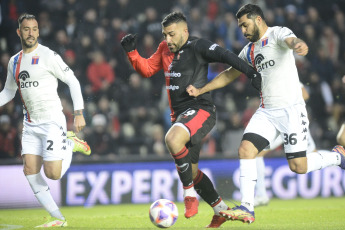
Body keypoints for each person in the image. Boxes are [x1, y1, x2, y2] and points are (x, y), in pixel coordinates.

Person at [186, 4, 345, 224]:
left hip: (292, 110)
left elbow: (291, 41)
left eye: (245, 24)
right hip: (267, 112)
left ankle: (339, 156)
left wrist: (298, 44)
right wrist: (202, 89)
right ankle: (247, 207)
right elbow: (230, 74)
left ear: (258, 19)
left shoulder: (278, 33)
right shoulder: (249, 50)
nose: (242, 30)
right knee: (246, 149)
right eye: (240, 26)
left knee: (299, 166)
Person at [121, 11, 261, 228]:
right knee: (192, 171)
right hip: (181, 116)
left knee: (172, 139)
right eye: (164, 35)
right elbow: (148, 69)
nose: (167, 40)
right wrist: (132, 53)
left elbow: (227, 56)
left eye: (171, 34)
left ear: (185, 31)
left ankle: (189, 197)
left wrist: (251, 73)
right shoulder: (163, 48)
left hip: (201, 109)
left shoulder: (198, 46)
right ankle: (220, 210)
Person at [0, 13, 91, 228]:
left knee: (53, 174)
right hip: (30, 124)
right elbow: (8, 93)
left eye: (34, 29)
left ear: (39, 32)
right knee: (30, 170)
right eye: (26, 29)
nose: (30, 33)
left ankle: (69, 144)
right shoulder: (14, 61)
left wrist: (78, 113)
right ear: (19, 32)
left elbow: (73, 81)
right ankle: (58, 218)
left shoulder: (48, 56)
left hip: (52, 122)